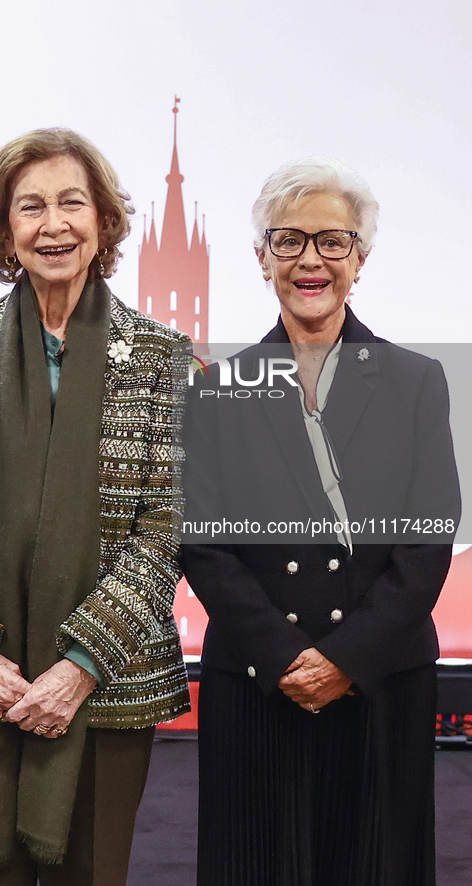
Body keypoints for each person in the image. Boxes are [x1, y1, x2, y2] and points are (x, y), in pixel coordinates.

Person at [0, 127, 190, 886]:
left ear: (104, 223)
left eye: (71, 203)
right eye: (30, 207)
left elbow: (164, 527)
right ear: (4, 229)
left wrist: (78, 667)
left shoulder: (160, 354)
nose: (53, 224)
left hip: (109, 681)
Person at [181, 157, 460, 886]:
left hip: (380, 676)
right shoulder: (215, 389)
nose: (310, 259)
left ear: (359, 259)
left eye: (332, 242)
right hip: (255, 677)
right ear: (260, 257)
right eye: (288, 240)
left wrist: (343, 659)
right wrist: (285, 659)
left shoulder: (414, 381)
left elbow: (427, 538)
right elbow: (201, 544)